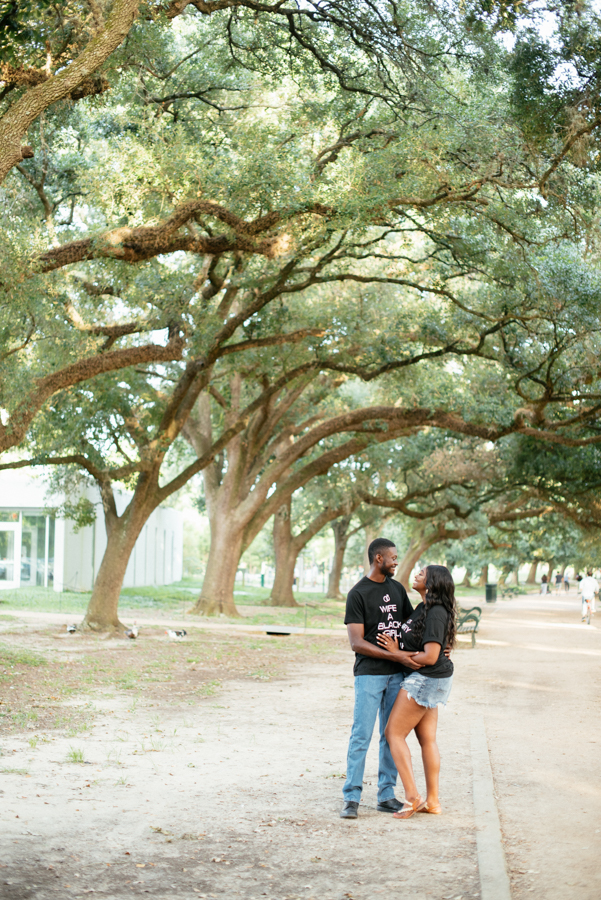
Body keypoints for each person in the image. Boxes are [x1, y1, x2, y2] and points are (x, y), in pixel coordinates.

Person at [341, 538, 418, 819]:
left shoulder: (397, 589)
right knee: (361, 735)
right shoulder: (358, 594)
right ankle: (351, 797)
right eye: (393, 557)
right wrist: (395, 656)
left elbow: (411, 626)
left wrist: (437, 643)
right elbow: (356, 643)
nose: (396, 561)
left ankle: (387, 795)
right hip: (369, 675)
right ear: (378, 559)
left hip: (397, 678)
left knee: (391, 735)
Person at [376, 565, 455, 819]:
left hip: (425, 678)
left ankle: (412, 798)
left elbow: (431, 657)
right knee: (427, 739)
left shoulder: (435, 613)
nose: (417, 574)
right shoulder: (424, 608)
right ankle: (433, 801)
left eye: (422, 573)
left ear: (433, 582)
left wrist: (397, 653)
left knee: (393, 733)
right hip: (434, 678)